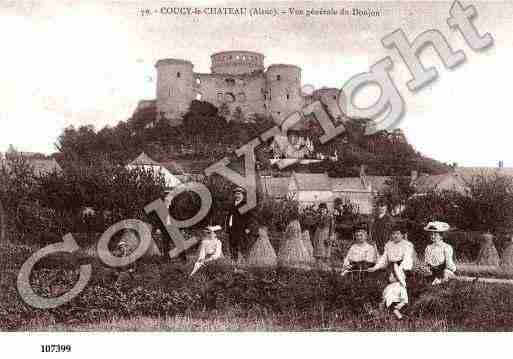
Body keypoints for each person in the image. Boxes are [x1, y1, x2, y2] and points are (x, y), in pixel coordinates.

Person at [368, 221, 415, 319]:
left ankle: (395, 310)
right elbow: (384, 259)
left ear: (402, 234)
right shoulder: (389, 245)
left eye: (398, 233)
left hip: (402, 270)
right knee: (383, 288)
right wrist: (375, 267)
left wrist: (399, 274)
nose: (395, 236)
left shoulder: (407, 245)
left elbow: (407, 260)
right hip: (390, 270)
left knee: (396, 288)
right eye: (393, 234)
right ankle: (387, 310)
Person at [225, 187, 251, 262]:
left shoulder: (244, 205)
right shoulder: (232, 205)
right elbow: (229, 216)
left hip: (241, 229)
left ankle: (245, 261)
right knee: (232, 245)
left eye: (239, 194)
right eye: (236, 194)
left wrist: (247, 228)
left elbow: (248, 218)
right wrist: (227, 227)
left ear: (243, 195)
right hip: (232, 228)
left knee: (242, 246)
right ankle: (234, 262)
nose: (237, 195)